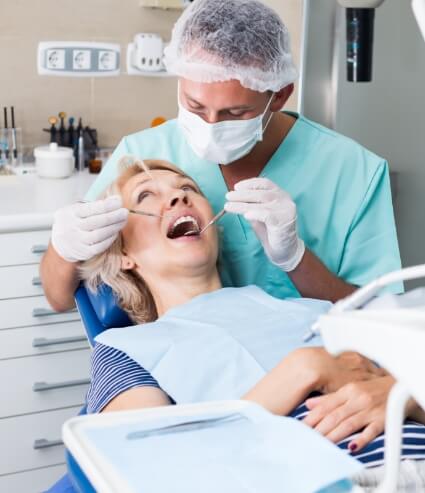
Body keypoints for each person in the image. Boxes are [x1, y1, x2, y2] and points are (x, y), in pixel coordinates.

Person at [75, 158, 424, 491]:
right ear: (123, 254)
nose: (179, 196)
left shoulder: (312, 310)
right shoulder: (124, 350)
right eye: (146, 196)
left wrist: (400, 394)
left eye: (187, 188)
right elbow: (162, 470)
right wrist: (304, 369)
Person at [41, 0, 402, 315]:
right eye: (194, 106)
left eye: (235, 113)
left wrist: (295, 258)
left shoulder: (354, 172)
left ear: (279, 96)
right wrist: (64, 248)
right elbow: (59, 298)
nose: (210, 125)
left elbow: (379, 320)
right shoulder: (142, 155)